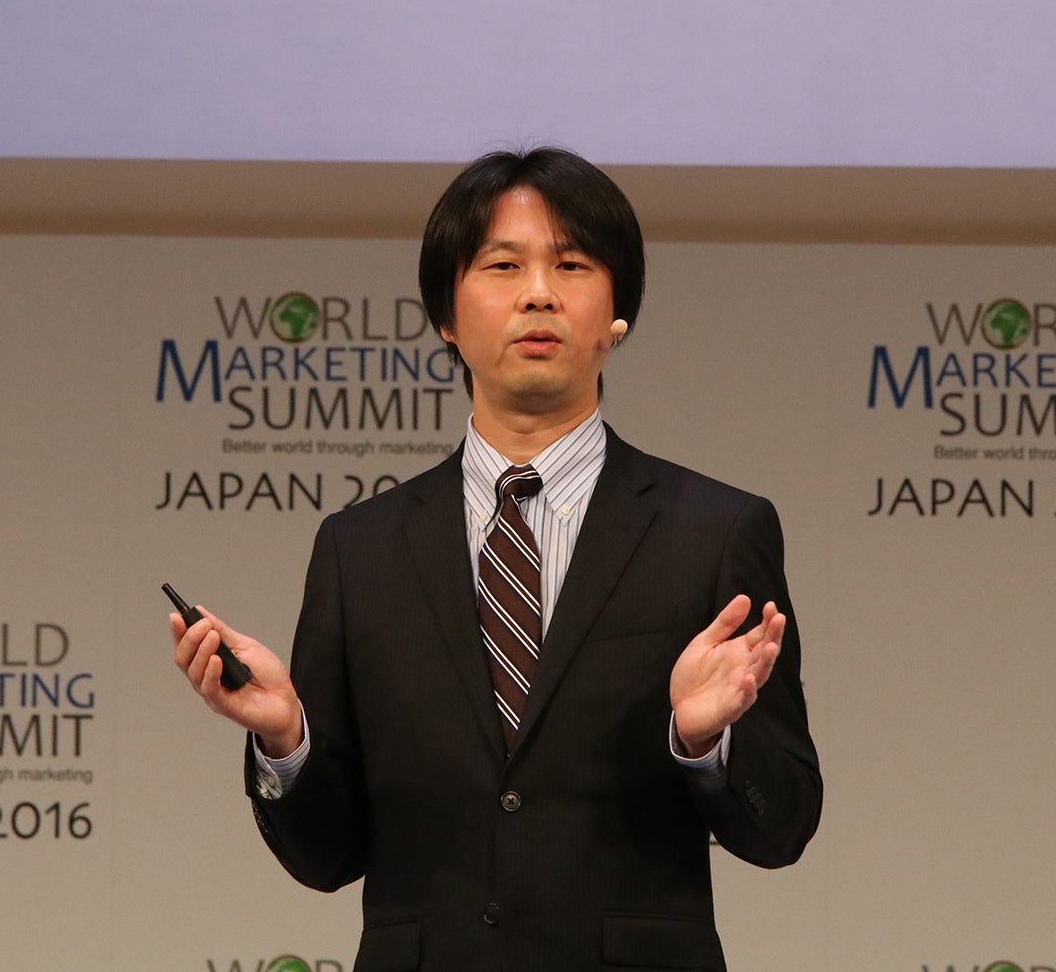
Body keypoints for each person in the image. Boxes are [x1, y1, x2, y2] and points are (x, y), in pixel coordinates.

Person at [171, 147, 822, 972]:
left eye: (572, 265)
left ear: (617, 315)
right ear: (446, 316)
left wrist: (704, 743)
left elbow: (781, 826)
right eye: (503, 265)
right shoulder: (360, 549)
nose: (538, 292)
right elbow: (326, 857)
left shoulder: (714, 532)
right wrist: (285, 739)